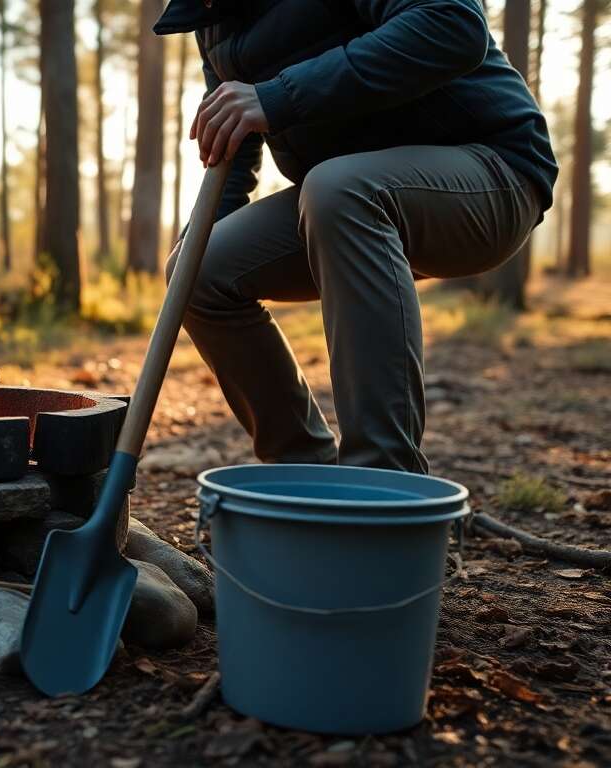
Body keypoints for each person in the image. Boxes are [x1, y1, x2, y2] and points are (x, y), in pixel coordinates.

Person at [154, 0, 557, 474]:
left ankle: (381, 483)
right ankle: (305, 476)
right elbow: (232, 147)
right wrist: (191, 249)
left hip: (491, 171)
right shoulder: (212, 20)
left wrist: (278, 96)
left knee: (337, 189)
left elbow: (452, 23)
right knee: (197, 269)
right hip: (344, 203)